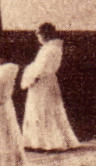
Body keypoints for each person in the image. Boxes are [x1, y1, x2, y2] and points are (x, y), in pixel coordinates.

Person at [19, 22, 80, 151]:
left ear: (45, 35)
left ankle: (49, 143)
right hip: (47, 81)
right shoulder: (54, 48)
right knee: (47, 110)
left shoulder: (49, 49)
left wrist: (30, 76)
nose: (38, 38)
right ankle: (40, 142)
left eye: (39, 35)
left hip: (42, 82)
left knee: (43, 110)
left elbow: (41, 68)